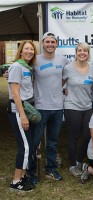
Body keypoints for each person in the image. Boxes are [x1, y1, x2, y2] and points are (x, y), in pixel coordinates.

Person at [26, 32, 69, 183]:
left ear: (57, 44)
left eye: (53, 42)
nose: (50, 44)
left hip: (57, 108)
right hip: (40, 107)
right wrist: (8, 73)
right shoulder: (35, 59)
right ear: (43, 43)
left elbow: (66, 77)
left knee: (52, 142)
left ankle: (51, 169)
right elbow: (23, 72)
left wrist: (60, 87)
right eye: (47, 41)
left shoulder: (63, 60)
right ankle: (31, 172)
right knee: (35, 141)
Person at [7, 40, 37, 192]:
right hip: (19, 112)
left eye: (32, 49)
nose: (29, 51)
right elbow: (15, 95)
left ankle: (23, 177)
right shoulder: (16, 67)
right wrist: (23, 116)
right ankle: (15, 182)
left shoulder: (27, 67)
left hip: (27, 110)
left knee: (29, 145)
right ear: (21, 50)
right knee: (25, 147)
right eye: (26, 49)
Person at [62, 42, 93, 177]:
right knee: (73, 137)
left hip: (87, 106)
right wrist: (63, 91)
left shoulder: (92, 68)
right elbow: (58, 84)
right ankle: (72, 165)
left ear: (88, 54)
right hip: (72, 106)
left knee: (88, 135)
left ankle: (79, 160)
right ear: (76, 53)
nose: (82, 53)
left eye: (85, 51)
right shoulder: (68, 68)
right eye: (80, 50)